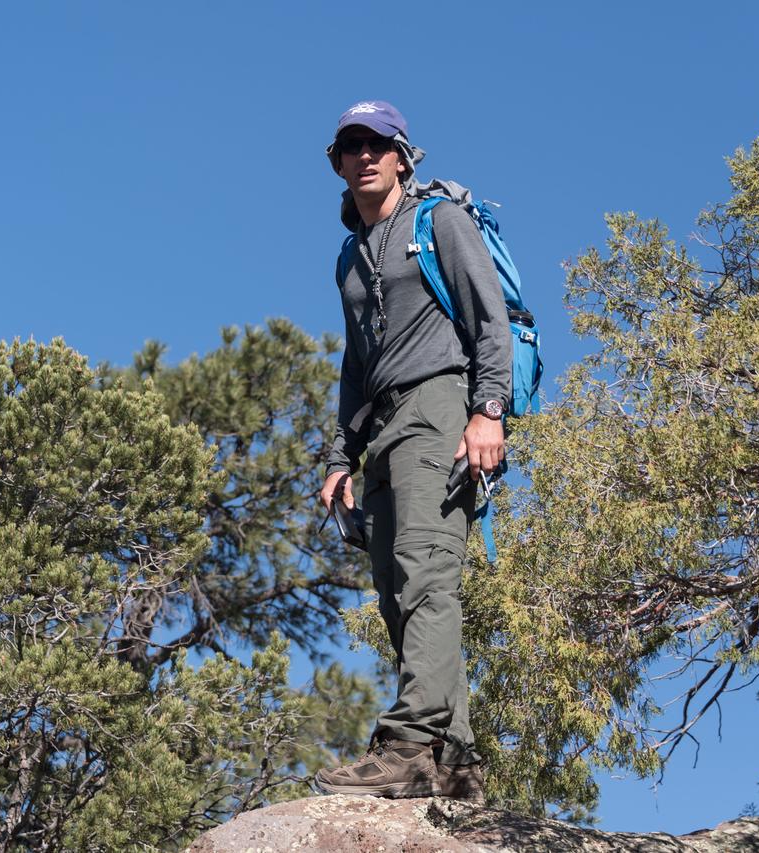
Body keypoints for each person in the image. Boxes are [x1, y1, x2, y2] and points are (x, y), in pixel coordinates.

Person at [313, 100, 511, 801]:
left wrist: (488, 411)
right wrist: (340, 456)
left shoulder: (438, 221)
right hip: (382, 427)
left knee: (428, 573)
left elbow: (489, 318)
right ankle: (453, 762)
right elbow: (355, 366)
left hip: (440, 404)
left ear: (402, 155)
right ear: (337, 162)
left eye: (377, 143)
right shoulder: (349, 259)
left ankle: (406, 744)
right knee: (399, 593)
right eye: (350, 144)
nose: (364, 153)